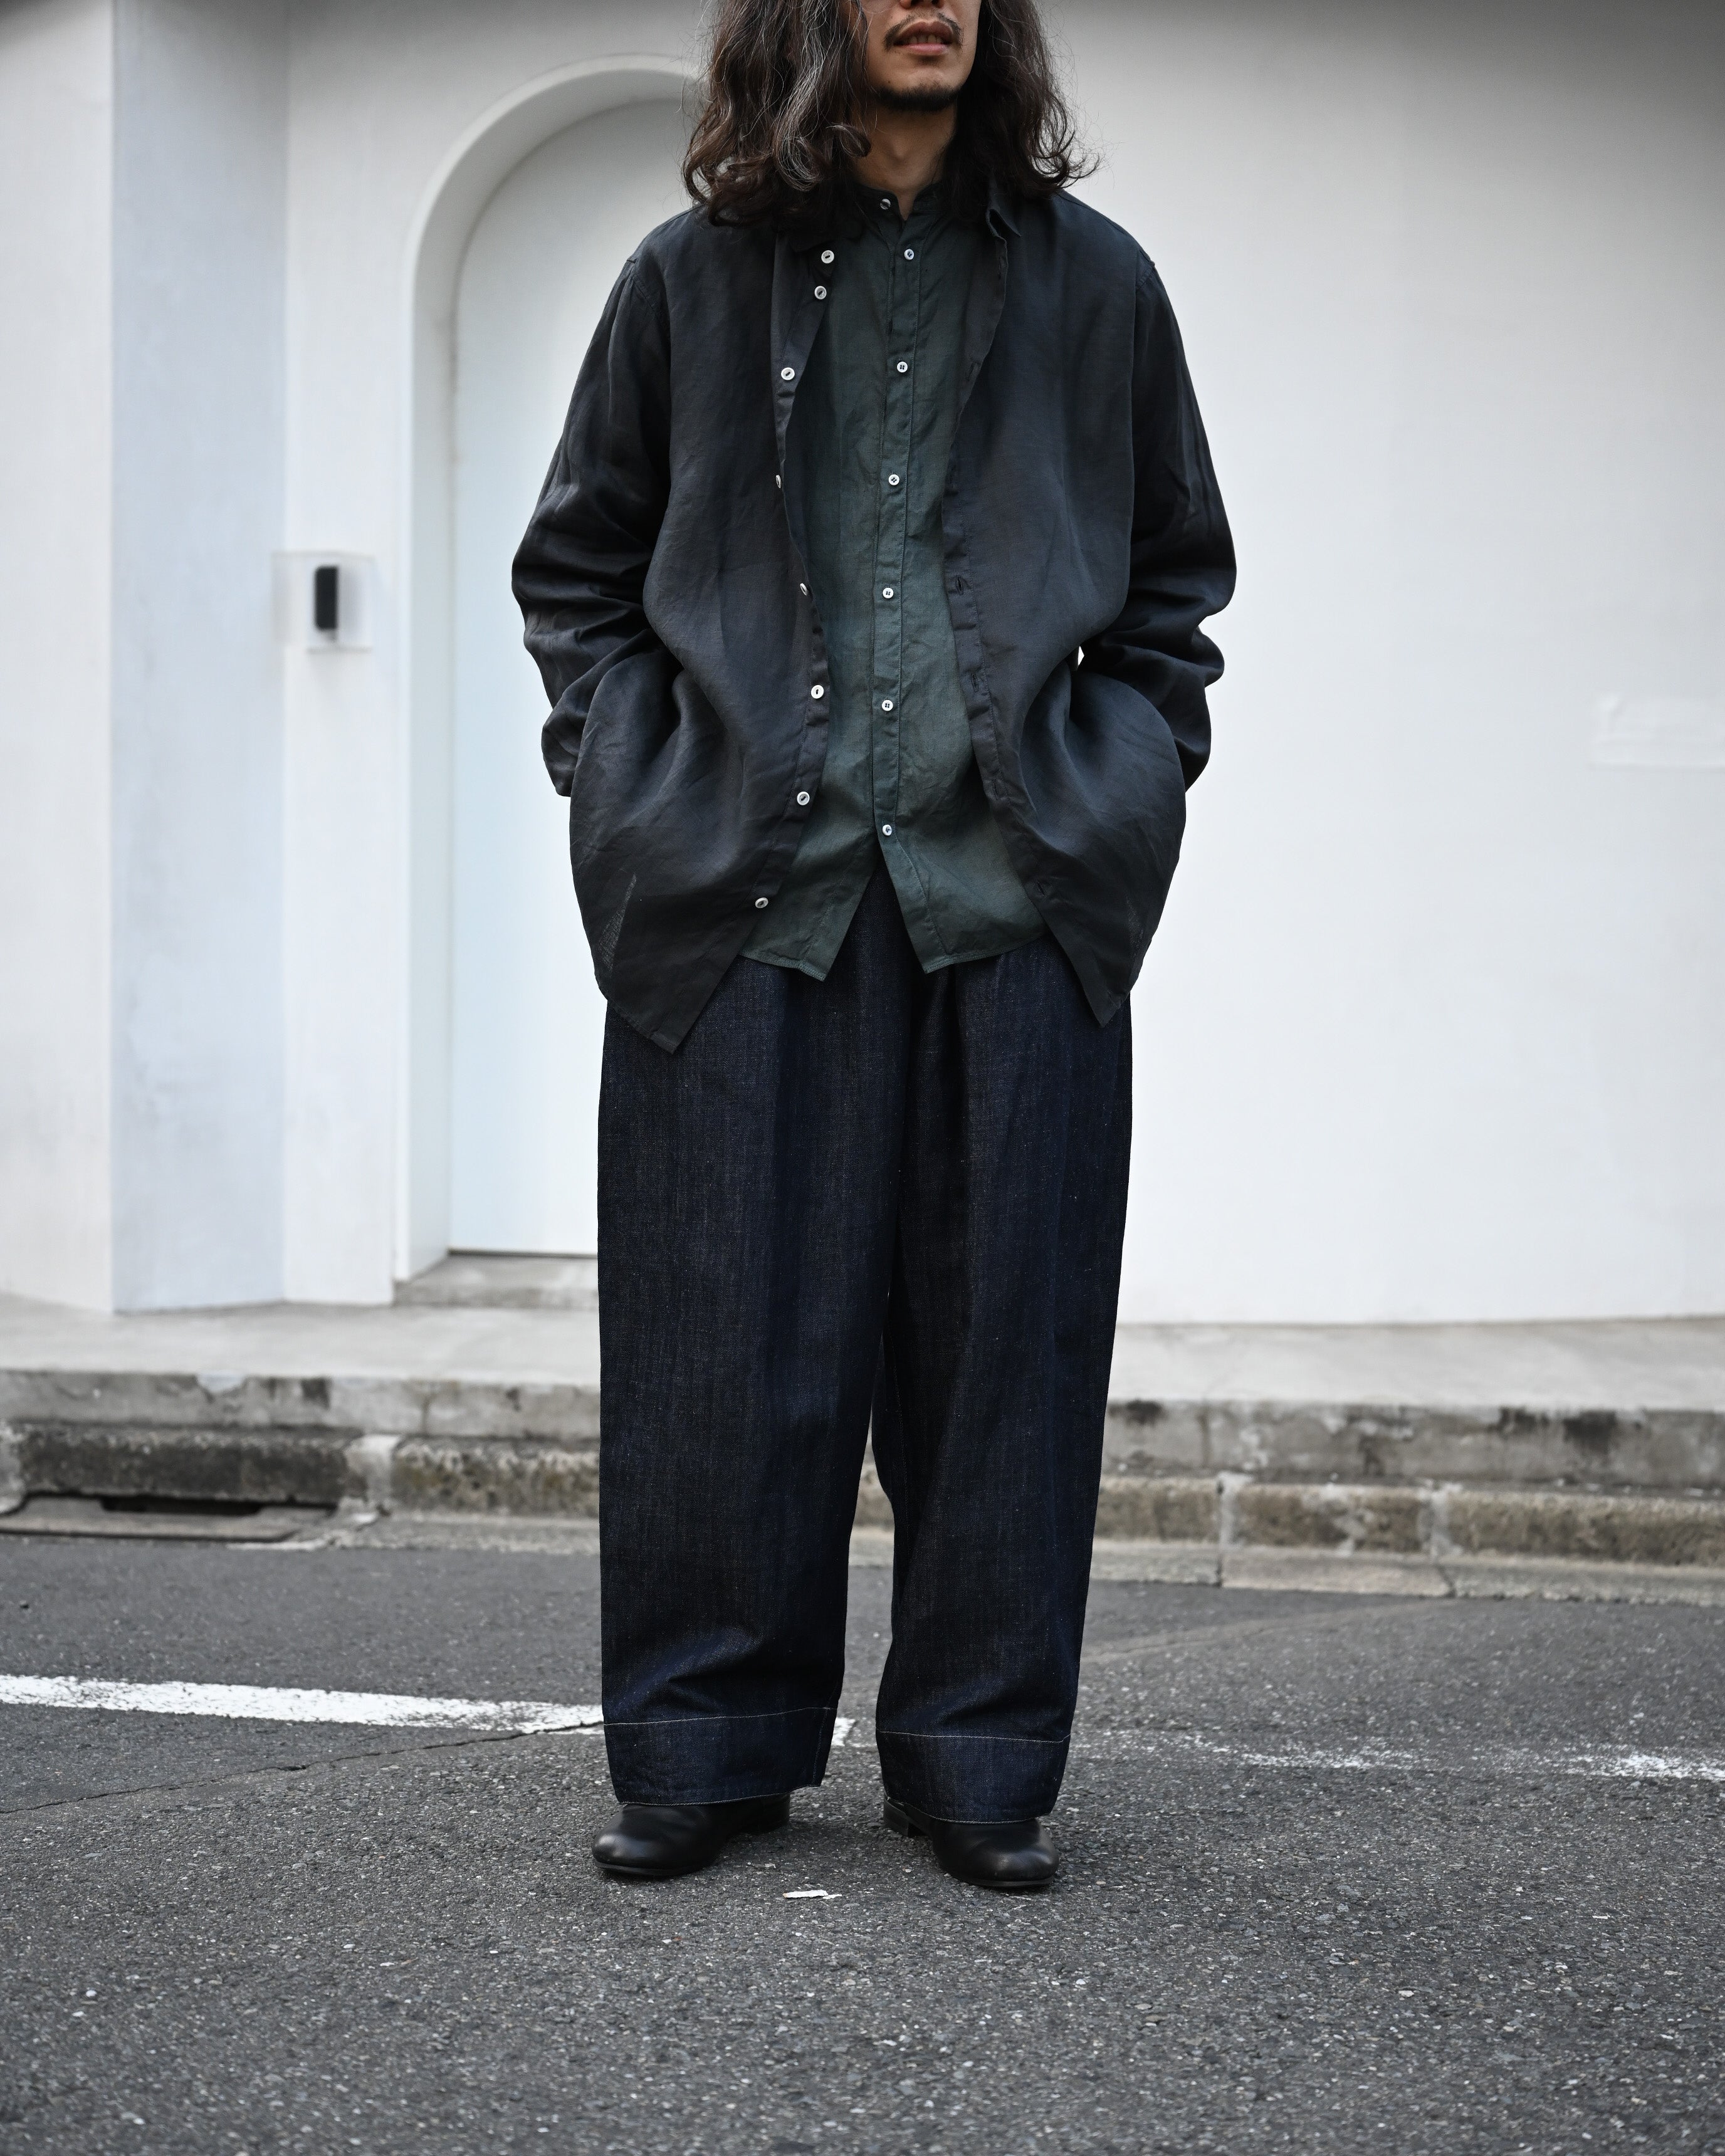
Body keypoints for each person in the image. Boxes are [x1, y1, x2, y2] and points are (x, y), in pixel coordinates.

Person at [513, 0, 1233, 1890]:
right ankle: (704, 1747)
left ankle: (980, 1765)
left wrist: (1123, 781)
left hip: (1022, 899)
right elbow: (576, 571)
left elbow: (1175, 583)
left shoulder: (1098, 286)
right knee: (715, 1350)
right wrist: (631, 780)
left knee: (1008, 1361)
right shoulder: (684, 283)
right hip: (743, 901)